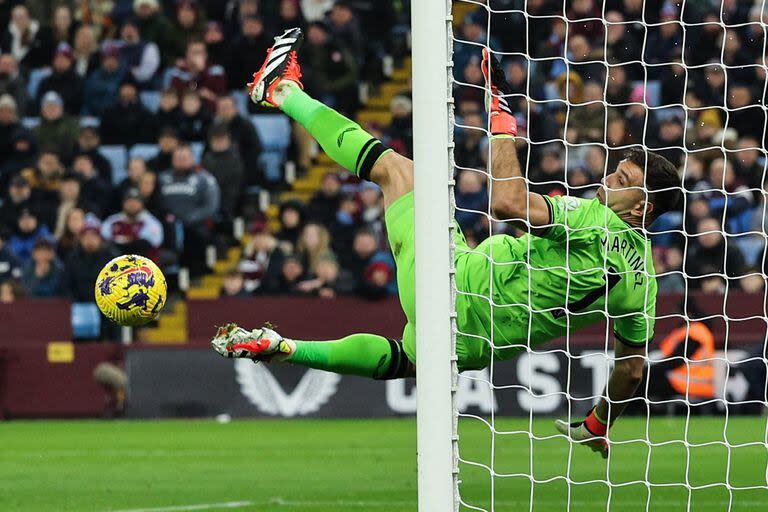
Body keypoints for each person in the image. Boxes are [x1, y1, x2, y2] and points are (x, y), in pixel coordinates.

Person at [212, 34, 683, 458]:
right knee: (408, 357)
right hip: (476, 343)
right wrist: (599, 422)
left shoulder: (595, 220)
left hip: (453, 289)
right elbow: (631, 370)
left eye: (621, 181)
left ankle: (280, 90)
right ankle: (285, 348)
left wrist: (501, 118)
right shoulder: (643, 282)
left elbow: (505, 201)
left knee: (397, 171)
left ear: (640, 210)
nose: (606, 180)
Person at [101, 188, 164, 260]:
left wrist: (126, 241)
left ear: (142, 204)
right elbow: (104, 239)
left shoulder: (151, 222)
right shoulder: (113, 221)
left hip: (142, 264)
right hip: (116, 263)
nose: (132, 204)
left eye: (136, 201)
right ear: (123, 203)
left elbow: (154, 243)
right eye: (129, 201)